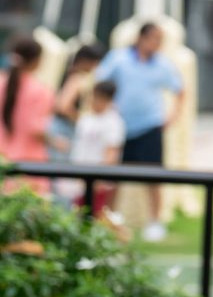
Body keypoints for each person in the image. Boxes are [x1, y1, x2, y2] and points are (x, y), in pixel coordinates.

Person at [96, 22, 183, 240]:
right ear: (141, 38)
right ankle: (109, 219)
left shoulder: (162, 64)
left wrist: (173, 116)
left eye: (160, 40)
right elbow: (101, 82)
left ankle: (155, 221)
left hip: (149, 127)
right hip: (120, 127)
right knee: (112, 177)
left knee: (153, 177)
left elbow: (180, 90)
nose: (156, 44)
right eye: (153, 38)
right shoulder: (119, 59)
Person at [54, 79, 124, 220]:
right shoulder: (87, 117)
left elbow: (111, 154)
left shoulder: (113, 122)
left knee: (93, 218)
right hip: (78, 177)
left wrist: (98, 178)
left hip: (97, 181)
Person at [1, 36, 54, 193]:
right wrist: (55, 141)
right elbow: (35, 129)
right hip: (29, 167)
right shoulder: (41, 91)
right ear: (37, 61)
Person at [47, 41, 105, 161]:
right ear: (85, 60)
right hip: (63, 130)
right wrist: (81, 119)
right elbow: (62, 106)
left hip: (58, 128)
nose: (95, 67)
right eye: (94, 63)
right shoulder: (77, 78)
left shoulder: (68, 72)